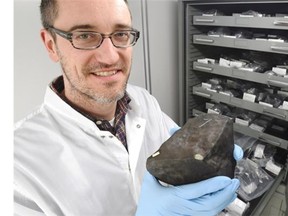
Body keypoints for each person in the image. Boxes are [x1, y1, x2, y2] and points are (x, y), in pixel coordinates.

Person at [14, 0, 243, 215]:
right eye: (84, 35)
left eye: (121, 34)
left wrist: (210, 166)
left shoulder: (143, 101)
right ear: (51, 44)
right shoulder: (16, 165)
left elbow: (183, 161)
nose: (110, 56)